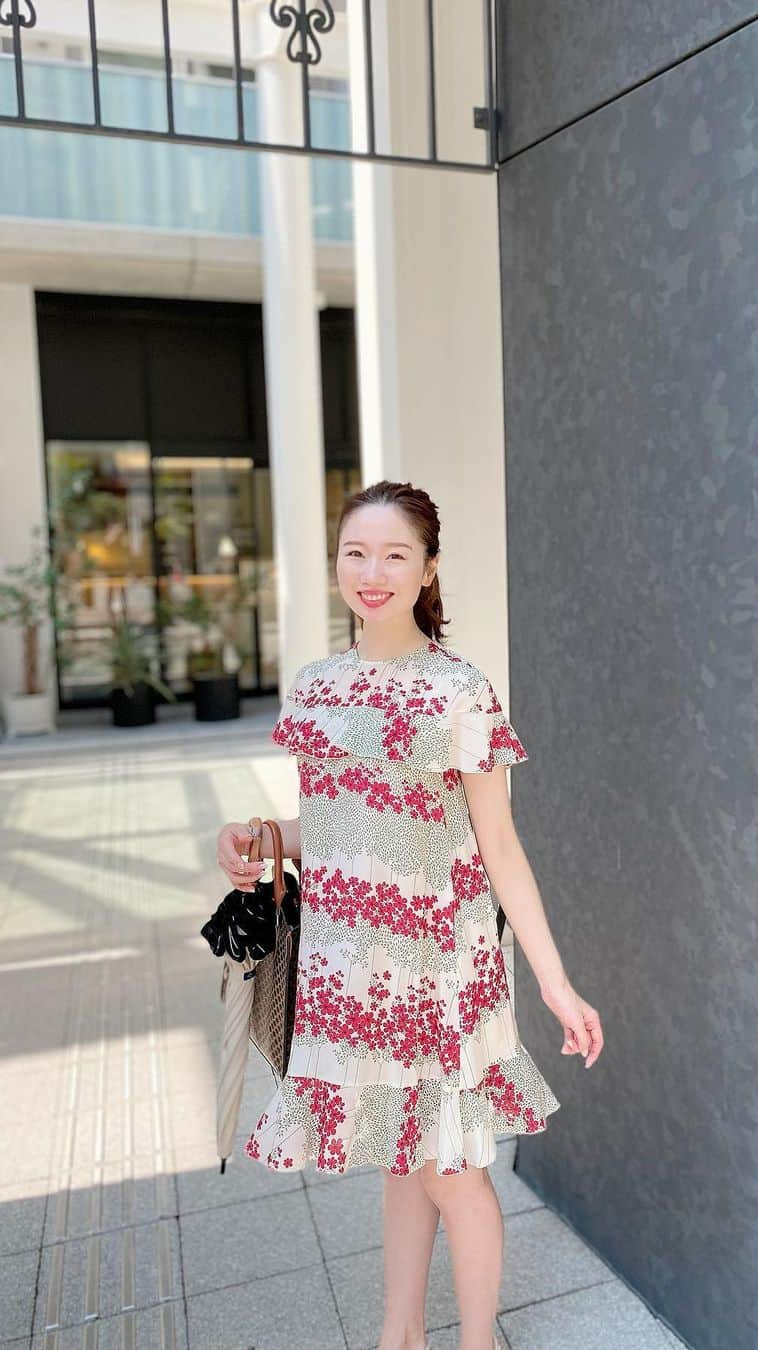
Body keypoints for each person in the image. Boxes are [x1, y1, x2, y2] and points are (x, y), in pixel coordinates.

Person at [215, 479, 603, 1350]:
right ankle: (399, 1336)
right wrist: (260, 835)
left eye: (395, 554)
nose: (373, 571)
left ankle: (473, 1344)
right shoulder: (316, 688)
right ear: (336, 566)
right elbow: (337, 825)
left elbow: (500, 848)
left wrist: (555, 983)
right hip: (346, 967)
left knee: (451, 1171)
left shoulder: (459, 692)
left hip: (436, 975)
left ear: (428, 569)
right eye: (357, 552)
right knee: (401, 1155)